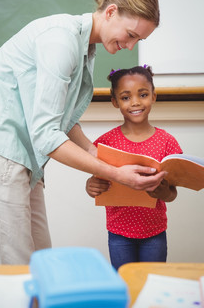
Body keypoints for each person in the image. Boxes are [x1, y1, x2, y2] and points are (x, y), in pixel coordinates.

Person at [0, 0, 166, 264]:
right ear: (110, 12)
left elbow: (61, 118)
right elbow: (47, 136)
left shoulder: (85, 47)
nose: (130, 46)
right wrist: (115, 174)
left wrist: (97, 153)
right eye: (130, 34)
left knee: (40, 259)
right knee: (10, 264)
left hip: (23, 154)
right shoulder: (61, 42)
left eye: (138, 41)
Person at [86, 66, 183, 270]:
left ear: (153, 97)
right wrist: (90, 186)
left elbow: (172, 194)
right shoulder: (105, 143)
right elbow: (95, 181)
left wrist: (164, 192)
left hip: (155, 233)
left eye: (143, 94)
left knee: (151, 282)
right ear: (115, 102)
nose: (136, 102)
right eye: (126, 97)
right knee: (126, 282)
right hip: (118, 232)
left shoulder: (167, 142)